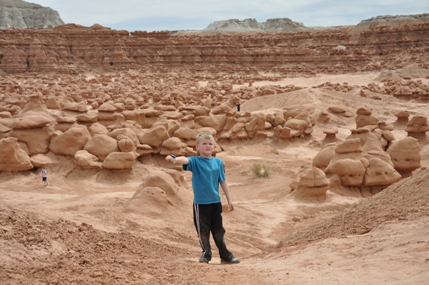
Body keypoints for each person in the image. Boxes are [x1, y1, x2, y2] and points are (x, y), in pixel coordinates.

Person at [166, 132, 240, 264]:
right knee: (203, 231)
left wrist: (229, 199)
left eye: (210, 143)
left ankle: (225, 255)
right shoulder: (195, 161)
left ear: (214, 146)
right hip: (201, 204)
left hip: (215, 202)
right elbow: (185, 159)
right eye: (204, 143)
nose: (207, 146)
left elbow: (223, 181)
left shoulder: (218, 163)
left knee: (219, 230)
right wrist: (175, 159)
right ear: (197, 147)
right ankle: (206, 254)